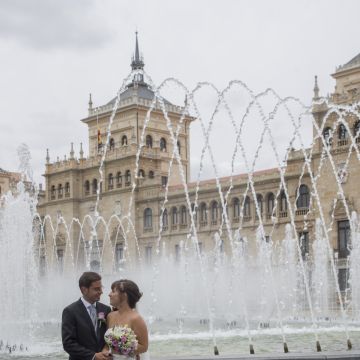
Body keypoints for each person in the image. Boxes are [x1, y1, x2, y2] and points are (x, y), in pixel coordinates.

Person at [62, 271, 112, 360]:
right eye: (96, 289)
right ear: (84, 290)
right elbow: (68, 344)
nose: (101, 292)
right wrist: (93, 356)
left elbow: (109, 337)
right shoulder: (70, 311)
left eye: (101, 288)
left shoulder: (106, 309)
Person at [105, 279, 149, 359]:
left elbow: (144, 347)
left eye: (113, 291)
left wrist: (121, 346)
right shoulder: (110, 316)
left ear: (124, 295)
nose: (109, 294)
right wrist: (105, 351)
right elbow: (107, 344)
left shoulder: (136, 319)